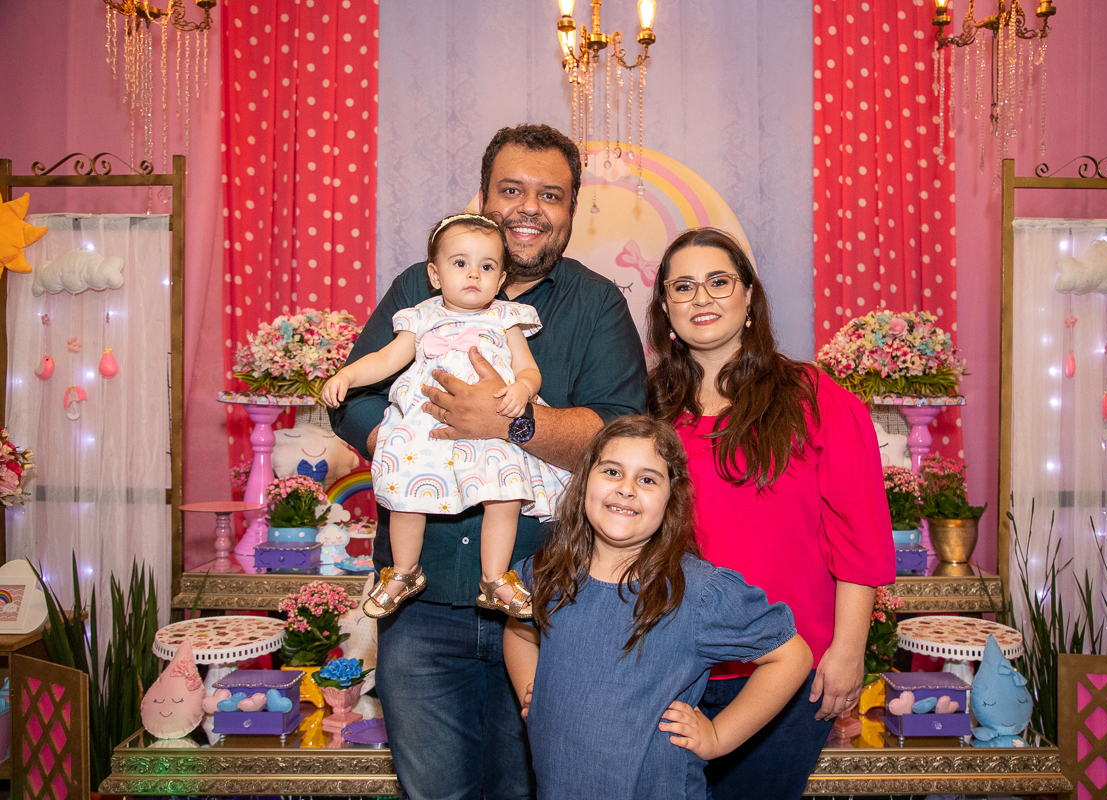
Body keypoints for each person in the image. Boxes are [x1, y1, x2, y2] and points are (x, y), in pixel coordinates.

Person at [328, 124, 646, 800]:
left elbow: (619, 439)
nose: (530, 208)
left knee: (532, 790)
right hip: (421, 606)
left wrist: (509, 425)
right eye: (511, 190)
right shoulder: (418, 289)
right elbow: (354, 394)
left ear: (572, 209)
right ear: (482, 198)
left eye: (550, 195)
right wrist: (402, 444)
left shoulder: (596, 305)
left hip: (547, 605)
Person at [645, 227, 895, 798]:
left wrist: (848, 650)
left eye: (718, 281)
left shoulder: (813, 396)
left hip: (785, 669)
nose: (701, 297)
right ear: (664, 307)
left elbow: (858, 533)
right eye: (683, 286)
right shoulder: (646, 404)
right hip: (669, 669)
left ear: (749, 295)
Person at [504, 416, 813, 800]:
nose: (626, 489)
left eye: (648, 479)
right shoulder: (544, 573)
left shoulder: (699, 592)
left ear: (671, 499)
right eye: (612, 471)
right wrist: (532, 690)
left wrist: (718, 736)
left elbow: (791, 656)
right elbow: (519, 630)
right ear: (583, 483)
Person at [322, 213, 568, 619]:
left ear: (501, 279)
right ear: (435, 275)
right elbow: (385, 359)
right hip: (426, 425)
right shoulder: (420, 317)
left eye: (486, 267)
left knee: (505, 493)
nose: (473, 274)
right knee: (406, 491)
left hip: (492, 425)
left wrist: (523, 389)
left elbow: (528, 369)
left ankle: (495, 578)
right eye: (460, 263)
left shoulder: (506, 318)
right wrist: (346, 375)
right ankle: (404, 571)